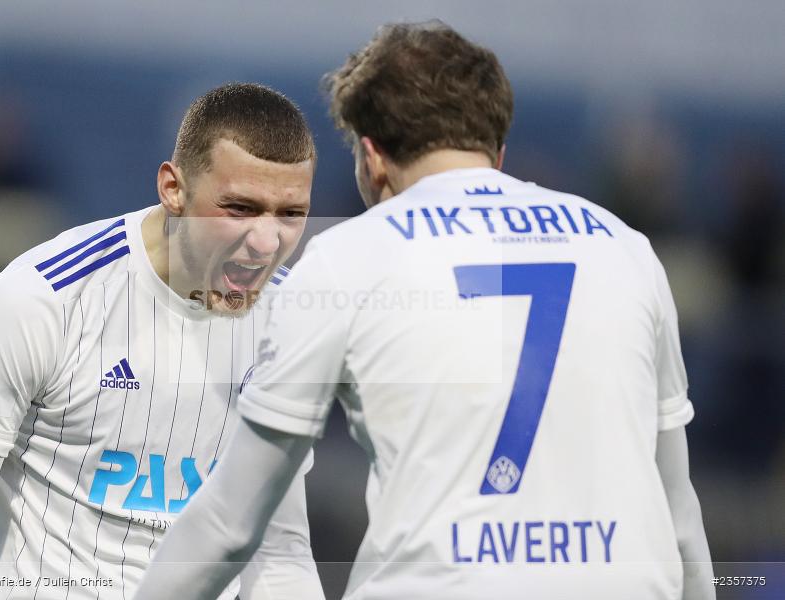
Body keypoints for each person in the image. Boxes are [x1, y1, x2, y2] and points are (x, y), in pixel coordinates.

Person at [135, 22, 715, 600]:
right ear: (496, 154)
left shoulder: (347, 258)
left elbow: (230, 527)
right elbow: (681, 521)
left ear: (371, 159)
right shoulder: (627, 249)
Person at [0, 83, 325, 600]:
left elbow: (280, 552)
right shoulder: (40, 303)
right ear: (174, 189)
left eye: (290, 214)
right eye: (238, 209)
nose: (266, 243)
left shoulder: (295, 324)